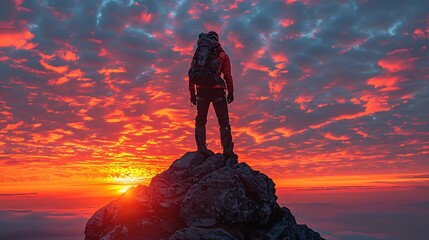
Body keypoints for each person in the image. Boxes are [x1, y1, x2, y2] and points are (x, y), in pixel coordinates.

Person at [188, 31, 237, 158]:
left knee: (201, 119)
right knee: (223, 121)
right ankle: (227, 149)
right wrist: (231, 92)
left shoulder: (198, 53)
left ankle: (201, 148)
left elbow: (192, 73)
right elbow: (227, 75)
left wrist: (192, 94)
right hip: (217, 91)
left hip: (201, 90)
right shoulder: (222, 54)